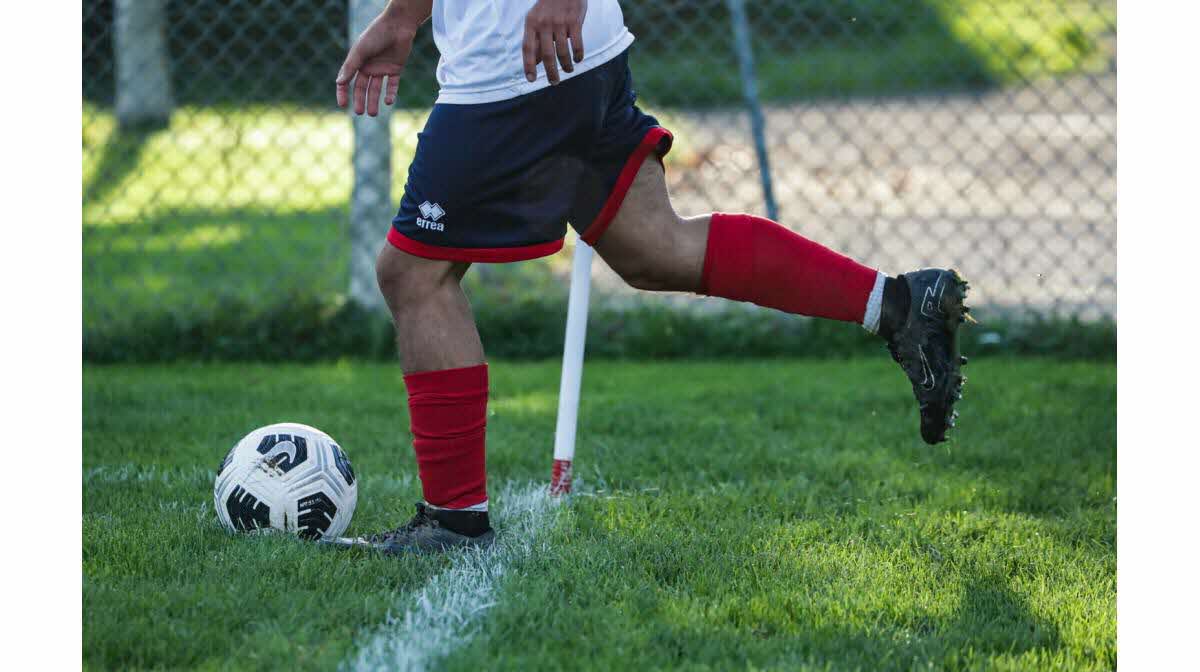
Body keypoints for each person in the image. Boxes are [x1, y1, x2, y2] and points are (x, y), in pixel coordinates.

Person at [332, 0, 970, 554]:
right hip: (567, 51)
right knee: (653, 247)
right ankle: (899, 304)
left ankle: (454, 523)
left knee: (414, 273)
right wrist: (404, 15)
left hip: (522, 55)